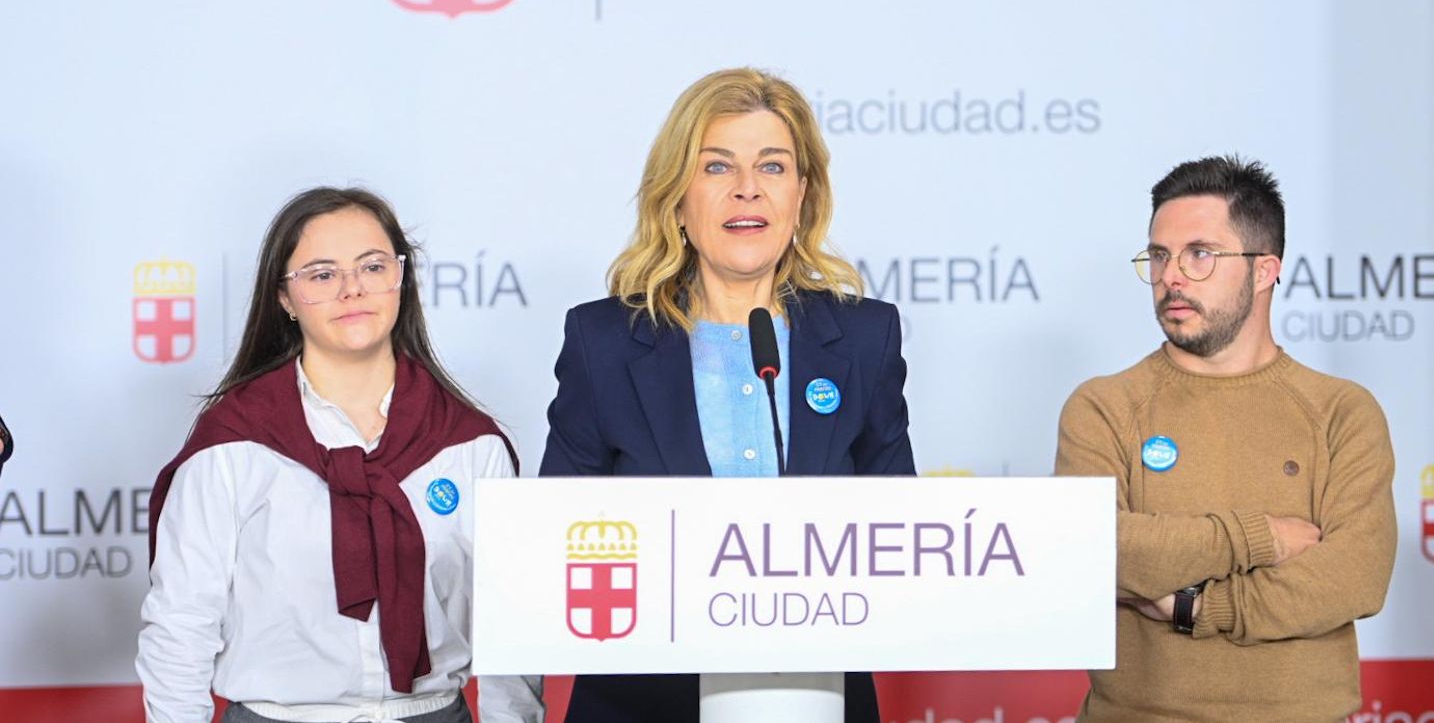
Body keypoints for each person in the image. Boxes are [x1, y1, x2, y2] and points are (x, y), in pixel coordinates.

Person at [541, 67, 915, 722]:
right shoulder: (603, 341)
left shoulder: (863, 339)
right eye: (717, 168)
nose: (747, 189)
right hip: (642, 702)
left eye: (772, 167)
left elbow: (901, 534)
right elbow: (555, 540)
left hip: (817, 697)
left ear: (803, 194)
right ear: (677, 197)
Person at [137, 187, 542, 723]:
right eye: (323, 274)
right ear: (284, 297)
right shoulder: (234, 444)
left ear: (401, 279)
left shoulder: (467, 443)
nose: (353, 289)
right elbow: (179, 625)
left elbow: (509, 622)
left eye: (373, 266)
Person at [1056, 156, 1396, 722]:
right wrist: (1259, 539)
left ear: (1265, 271)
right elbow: (1095, 548)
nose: (1171, 277)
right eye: (1160, 256)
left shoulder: (1342, 412)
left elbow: (1353, 576)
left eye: (1200, 255)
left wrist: (1194, 607)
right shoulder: (1104, 406)